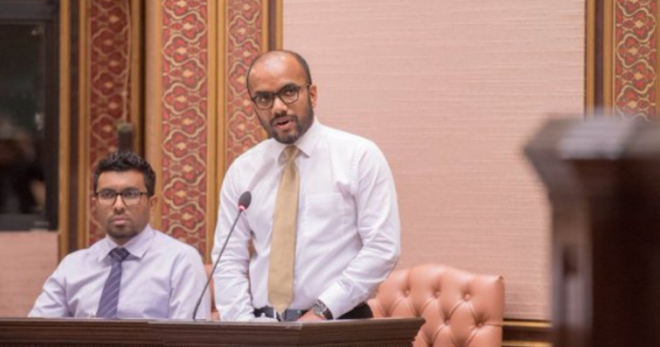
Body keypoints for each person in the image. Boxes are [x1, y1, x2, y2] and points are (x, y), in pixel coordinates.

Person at [212, 50, 401, 322]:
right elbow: (228, 258)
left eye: (289, 92)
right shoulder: (242, 171)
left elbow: (382, 248)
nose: (278, 107)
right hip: (263, 328)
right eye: (264, 98)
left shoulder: (358, 157)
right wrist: (244, 327)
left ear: (312, 94)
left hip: (339, 323)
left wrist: (322, 311)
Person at [29, 151, 210, 319]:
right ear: (95, 204)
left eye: (130, 194)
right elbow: (35, 331)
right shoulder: (72, 267)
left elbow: (189, 336)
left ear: (152, 203)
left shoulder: (180, 261)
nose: (118, 205)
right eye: (107, 194)